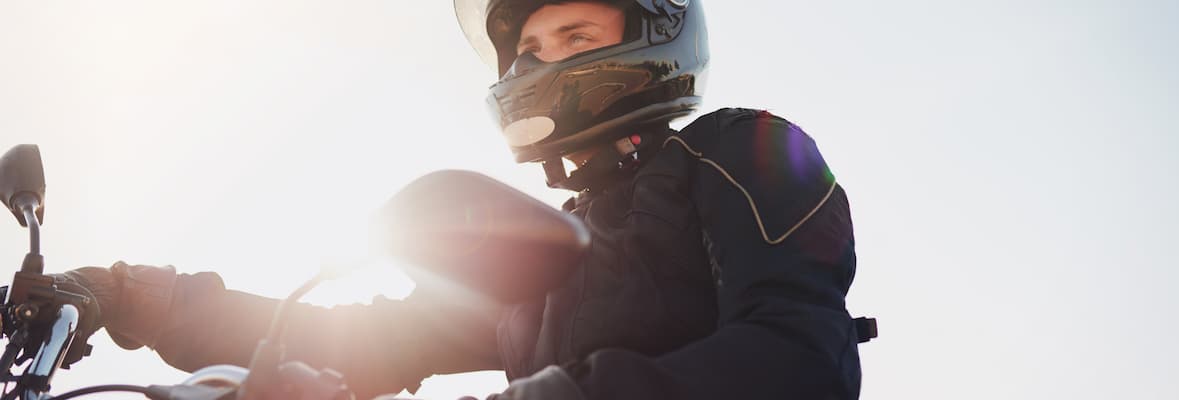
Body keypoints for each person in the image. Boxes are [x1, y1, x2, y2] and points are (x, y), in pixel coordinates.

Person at [56, 1, 873, 399]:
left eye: (576, 36)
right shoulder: (548, 241)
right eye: (528, 48)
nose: (543, 60)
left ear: (649, 37)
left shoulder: (740, 147)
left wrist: (556, 396)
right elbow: (369, 337)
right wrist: (142, 299)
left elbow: (800, 354)